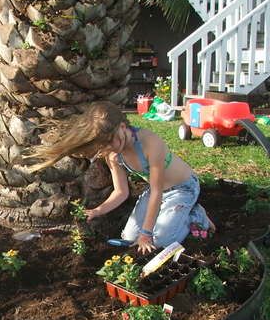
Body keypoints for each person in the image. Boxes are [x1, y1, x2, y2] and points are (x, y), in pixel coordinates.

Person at [28, 101, 215, 254]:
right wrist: (98, 211)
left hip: (183, 188)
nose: (107, 147)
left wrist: (147, 233)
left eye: (109, 141)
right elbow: (121, 191)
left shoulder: (150, 143)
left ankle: (195, 215)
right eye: (102, 145)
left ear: (123, 127)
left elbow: (157, 192)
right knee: (128, 238)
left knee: (160, 241)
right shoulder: (112, 154)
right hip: (156, 191)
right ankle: (173, 217)